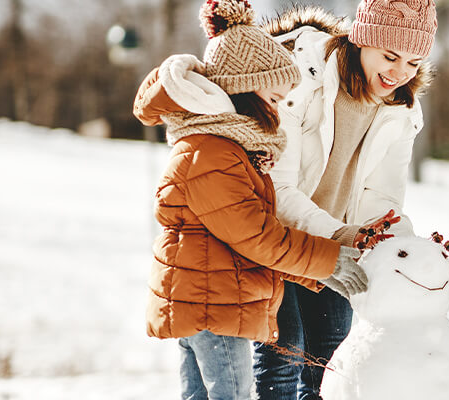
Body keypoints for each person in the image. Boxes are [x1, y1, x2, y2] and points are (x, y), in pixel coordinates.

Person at [131, 1, 393, 398]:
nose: (275, 111)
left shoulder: (223, 149)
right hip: (212, 305)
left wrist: (318, 270)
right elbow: (256, 235)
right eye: (273, 99)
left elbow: (254, 241)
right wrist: (327, 259)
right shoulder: (212, 153)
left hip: (210, 299)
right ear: (242, 87)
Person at [254, 1, 437, 398]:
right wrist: (342, 234)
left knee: (332, 366)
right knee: (283, 361)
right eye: (390, 57)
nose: (399, 73)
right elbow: (278, 190)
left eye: (413, 62)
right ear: (361, 40)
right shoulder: (301, 78)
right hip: (276, 238)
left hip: (335, 246)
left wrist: (399, 245)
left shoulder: (401, 109)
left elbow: (382, 196)